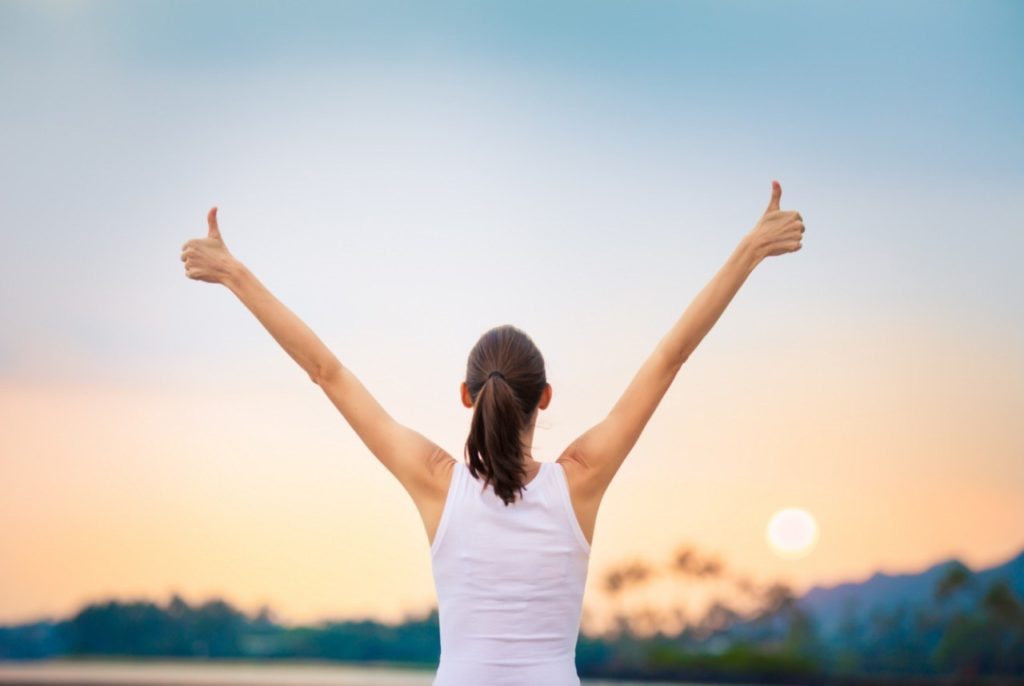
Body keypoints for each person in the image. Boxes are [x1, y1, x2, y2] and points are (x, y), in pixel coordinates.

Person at [180, 180, 805, 684]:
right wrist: (749, 250)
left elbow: (327, 371)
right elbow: (671, 357)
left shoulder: (435, 484)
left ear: (465, 397)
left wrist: (234, 274)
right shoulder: (580, 481)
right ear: (546, 399)